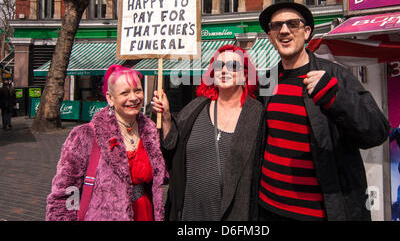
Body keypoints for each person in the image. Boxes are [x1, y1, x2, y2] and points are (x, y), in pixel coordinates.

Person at [251, 0, 389, 221]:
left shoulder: (334, 75)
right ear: (270, 37)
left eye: (292, 24)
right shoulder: (267, 80)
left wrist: (335, 98)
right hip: (268, 207)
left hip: (318, 212)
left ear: (306, 32)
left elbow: (376, 133)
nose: (284, 31)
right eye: (276, 26)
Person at [152, 44, 263, 221]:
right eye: (219, 66)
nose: (224, 70)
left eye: (233, 66)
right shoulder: (195, 108)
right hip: (190, 215)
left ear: (245, 74)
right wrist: (165, 117)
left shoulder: (257, 115)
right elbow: (171, 147)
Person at [46, 65, 167, 221]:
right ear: (110, 98)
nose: (134, 98)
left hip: (145, 213)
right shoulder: (85, 135)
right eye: (125, 92)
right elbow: (65, 193)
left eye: (137, 90)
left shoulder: (149, 131)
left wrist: (166, 118)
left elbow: (162, 176)